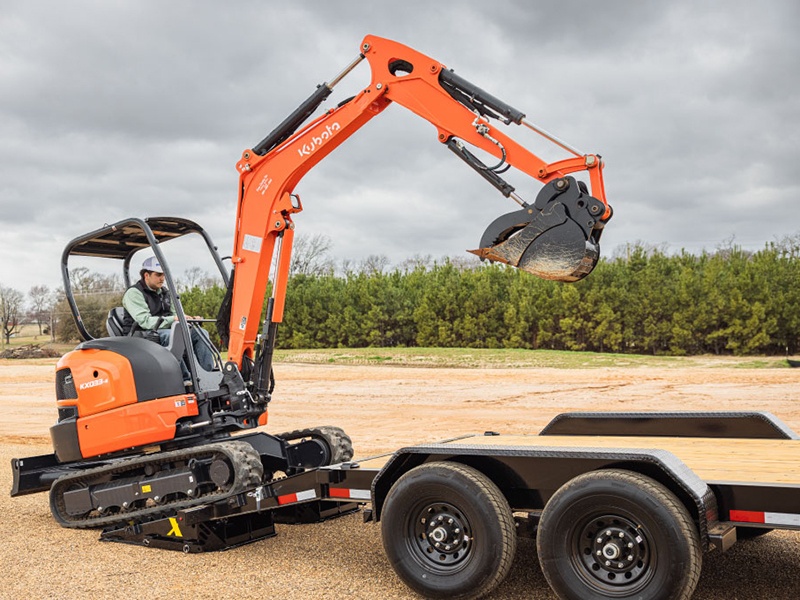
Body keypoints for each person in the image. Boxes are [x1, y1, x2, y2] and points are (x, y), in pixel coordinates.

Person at [121, 256, 215, 381]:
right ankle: (184, 379)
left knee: (201, 333)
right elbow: (145, 321)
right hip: (141, 334)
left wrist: (189, 319)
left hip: (163, 329)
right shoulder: (134, 293)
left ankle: (206, 376)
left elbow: (175, 314)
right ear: (146, 275)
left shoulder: (165, 292)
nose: (162, 278)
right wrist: (174, 320)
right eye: (158, 274)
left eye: (164, 275)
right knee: (172, 335)